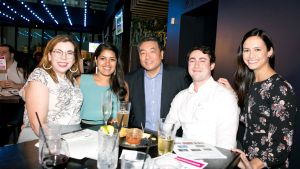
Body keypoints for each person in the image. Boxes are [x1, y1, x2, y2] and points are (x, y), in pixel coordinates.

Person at [218, 28, 298, 168]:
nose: (250, 55)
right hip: (248, 159)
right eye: (246, 50)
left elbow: (282, 144)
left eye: (257, 49)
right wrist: (232, 95)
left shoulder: (280, 88)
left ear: (270, 52)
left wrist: (253, 165)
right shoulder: (252, 84)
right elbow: (251, 120)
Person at [165, 46, 239, 150]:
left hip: (212, 161)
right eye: (192, 60)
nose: (196, 65)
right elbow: (167, 129)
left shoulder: (225, 97)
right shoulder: (181, 97)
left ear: (212, 65)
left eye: (202, 60)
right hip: (183, 157)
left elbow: (226, 147)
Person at [18, 35, 83, 142]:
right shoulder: (40, 76)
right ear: (49, 56)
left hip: (72, 137)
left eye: (69, 53)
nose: (64, 57)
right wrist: (60, 146)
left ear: (74, 58)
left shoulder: (71, 80)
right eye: (58, 52)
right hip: (44, 139)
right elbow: (38, 125)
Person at [125, 36, 190, 131]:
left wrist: (216, 87)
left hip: (169, 138)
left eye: (152, 51)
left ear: (162, 54)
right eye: (143, 53)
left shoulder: (179, 76)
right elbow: (126, 109)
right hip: (140, 138)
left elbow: (195, 97)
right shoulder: (130, 79)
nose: (147, 57)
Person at [76, 43, 128, 128]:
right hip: (84, 131)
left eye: (112, 59)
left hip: (112, 131)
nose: (107, 63)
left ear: (116, 62)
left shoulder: (122, 85)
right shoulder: (81, 81)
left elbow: (123, 117)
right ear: (96, 60)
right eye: (103, 58)